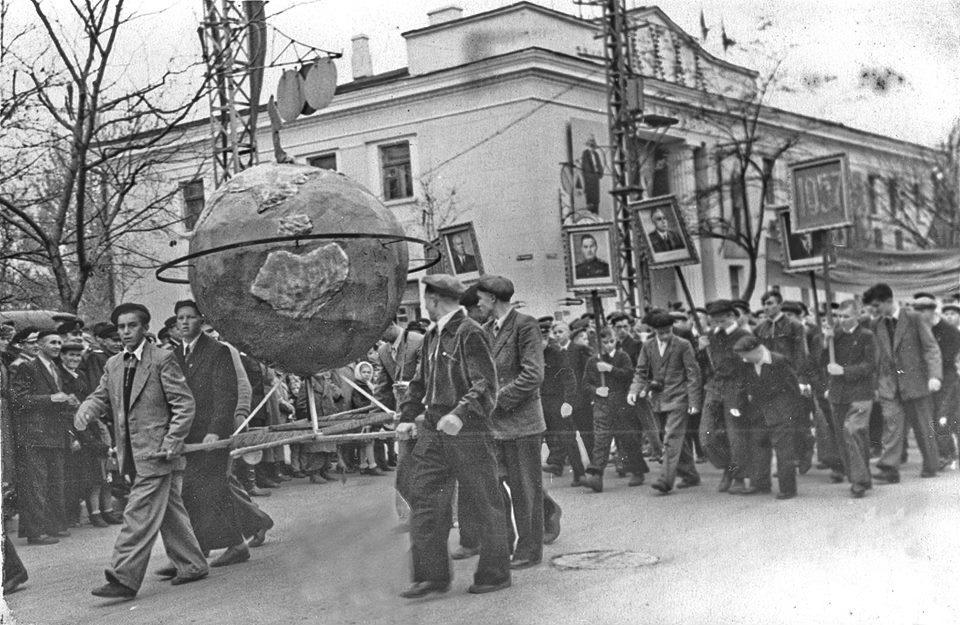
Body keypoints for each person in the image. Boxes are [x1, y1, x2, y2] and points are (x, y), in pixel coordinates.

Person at [74, 302, 208, 599]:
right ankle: (192, 564)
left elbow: (184, 404)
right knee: (170, 510)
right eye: (121, 327)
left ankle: (123, 577)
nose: (125, 332)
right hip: (131, 453)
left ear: (145, 328)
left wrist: (172, 440)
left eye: (131, 326)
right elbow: (101, 395)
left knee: (138, 512)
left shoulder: (162, 359)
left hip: (157, 452)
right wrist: (87, 408)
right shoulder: (113, 364)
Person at [397, 274, 510, 597]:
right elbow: (419, 382)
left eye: (425, 300)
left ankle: (495, 574)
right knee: (424, 498)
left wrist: (459, 414)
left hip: (468, 429)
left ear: (433, 301)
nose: (425, 305)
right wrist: (407, 416)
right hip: (435, 428)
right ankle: (431, 576)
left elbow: (485, 384)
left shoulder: (469, 332)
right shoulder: (433, 335)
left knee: (484, 501)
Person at [474, 275, 561, 567]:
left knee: (525, 490)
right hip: (494, 426)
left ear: (493, 298)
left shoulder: (526, 325)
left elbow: (533, 374)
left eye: (480, 298)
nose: (477, 304)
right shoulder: (485, 330)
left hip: (523, 424)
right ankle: (509, 539)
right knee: (496, 484)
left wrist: (495, 401)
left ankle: (529, 550)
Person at [169, 300, 248, 571]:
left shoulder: (217, 351)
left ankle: (233, 546)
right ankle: (199, 549)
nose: (184, 322)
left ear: (201, 321)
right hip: (189, 435)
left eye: (190, 317)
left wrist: (215, 431)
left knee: (209, 488)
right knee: (196, 491)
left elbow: (225, 395)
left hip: (212, 435)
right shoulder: (175, 355)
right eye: (180, 318)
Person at [862, 283, 942, 483]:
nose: (874, 310)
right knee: (892, 425)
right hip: (889, 384)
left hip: (916, 382)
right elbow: (876, 357)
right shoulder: (876, 324)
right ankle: (889, 469)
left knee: (923, 427)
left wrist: (934, 376)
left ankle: (931, 464)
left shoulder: (914, 318)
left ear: (889, 301)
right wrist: (875, 385)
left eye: (876, 305)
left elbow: (931, 348)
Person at [10, 329, 76, 545]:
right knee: (35, 485)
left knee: (54, 483)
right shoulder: (27, 367)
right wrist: (51, 398)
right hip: (34, 435)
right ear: (39, 345)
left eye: (59, 342)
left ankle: (52, 526)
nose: (57, 346)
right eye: (52, 342)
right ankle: (35, 532)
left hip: (54, 434)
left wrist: (66, 401)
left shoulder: (55, 368)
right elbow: (17, 400)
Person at [628, 311, 702, 494]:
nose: (665, 335)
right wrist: (634, 390)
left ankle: (665, 479)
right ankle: (690, 474)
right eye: (661, 332)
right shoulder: (648, 346)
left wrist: (694, 401)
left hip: (679, 398)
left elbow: (693, 373)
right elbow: (641, 371)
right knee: (669, 436)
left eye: (668, 331)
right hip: (659, 399)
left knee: (671, 437)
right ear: (654, 331)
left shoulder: (683, 345)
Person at [733, 335, 801, 500]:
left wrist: (790, 413)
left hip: (781, 412)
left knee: (784, 451)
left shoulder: (779, 361)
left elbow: (793, 388)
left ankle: (788, 489)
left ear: (756, 350)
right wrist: (738, 405)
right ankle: (760, 484)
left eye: (745, 355)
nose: (743, 358)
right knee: (758, 447)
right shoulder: (747, 363)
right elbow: (743, 385)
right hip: (758, 412)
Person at [821, 300, 877, 498]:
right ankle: (862, 477)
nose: (841, 320)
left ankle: (858, 481)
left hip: (860, 393)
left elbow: (870, 365)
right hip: (838, 394)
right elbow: (822, 362)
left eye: (846, 316)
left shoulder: (867, 336)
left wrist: (844, 371)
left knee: (852, 431)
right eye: (839, 316)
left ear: (857, 316)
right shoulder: (835, 335)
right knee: (848, 438)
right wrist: (826, 342)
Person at [581, 327, 647, 492]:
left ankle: (637, 471)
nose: (608, 345)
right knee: (601, 440)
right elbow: (585, 384)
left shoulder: (622, 356)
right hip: (602, 405)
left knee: (628, 438)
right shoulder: (593, 361)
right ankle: (596, 475)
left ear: (616, 341)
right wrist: (596, 390)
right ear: (599, 343)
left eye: (611, 341)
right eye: (604, 342)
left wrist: (610, 369)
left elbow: (629, 375)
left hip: (621, 403)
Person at [699, 299, 752, 494]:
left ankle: (738, 477)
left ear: (731, 316)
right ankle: (728, 466)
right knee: (706, 435)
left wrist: (748, 392)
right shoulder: (711, 336)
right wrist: (701, 350)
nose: (717, 325)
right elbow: (703, 365)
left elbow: (751, 365)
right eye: (714, 321)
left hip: (736, 387)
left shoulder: (744, 336)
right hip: (714, 387)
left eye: (721, 321)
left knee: (735, 434)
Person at [912, 295, 960, 468]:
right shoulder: (920, 328)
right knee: (932, 417)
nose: (917, 316)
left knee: (942, 416)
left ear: (931, 311)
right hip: (928, 380)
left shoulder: (950, 331)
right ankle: (943, 453)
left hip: (947, 380)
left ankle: (946, 454)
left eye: (920, 312)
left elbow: (946, 358)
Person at [538, 316, 583, 485]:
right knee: (549, 437)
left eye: (544, 337)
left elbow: (569, 378)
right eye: (539, 337)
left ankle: (579, 473)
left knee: (567, 438)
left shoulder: (556, 353)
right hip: (540, 401)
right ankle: (556, 465)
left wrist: (568, 402)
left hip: (558, 401)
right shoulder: (533, 354)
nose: (542, 341)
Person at [580, 134, 604, 213]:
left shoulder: (596, 155)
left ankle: (596, 215)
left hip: (595, 180)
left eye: (593, 145)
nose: (592, 147)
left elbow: (600, 167)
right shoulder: (585, 154)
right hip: (589, 180)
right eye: (591, 145)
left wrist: (598, 173)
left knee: (596, 201)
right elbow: (586, 168)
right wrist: (594, 173)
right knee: (590, 201)